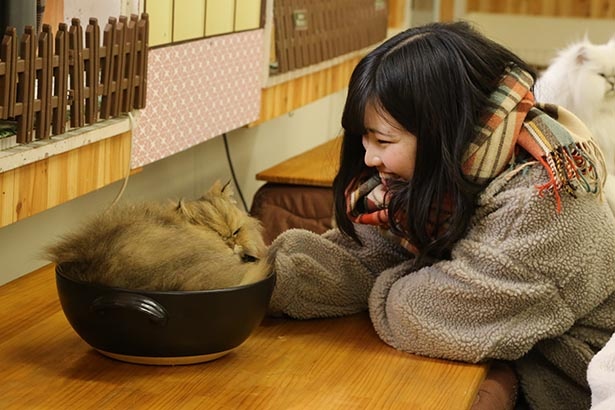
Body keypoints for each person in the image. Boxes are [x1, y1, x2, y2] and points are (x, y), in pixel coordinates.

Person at [265, 21, 615, 410]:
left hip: (558, 383)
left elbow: (422, 316)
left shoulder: (546, 202)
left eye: (383, 140)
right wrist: (263, 275)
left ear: (443, 129)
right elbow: (367, 256)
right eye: (364, 139)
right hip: (503, 352)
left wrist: (398, 280)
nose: (369, 158)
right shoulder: (451, 172)